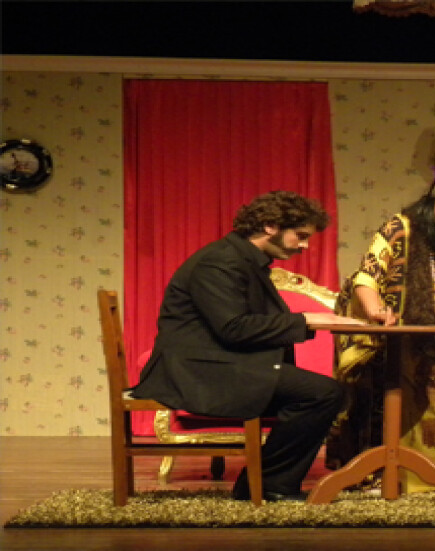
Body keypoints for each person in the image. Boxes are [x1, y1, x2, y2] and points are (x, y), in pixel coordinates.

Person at [131, 190, 363, 502]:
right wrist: (308, 320)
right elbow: (233, 328)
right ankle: (269, 485)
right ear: (270, 226)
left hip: (223, 363)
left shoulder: (242, 260)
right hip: (200, 372)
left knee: (324, 392)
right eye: (301, 236)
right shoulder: (219, 262)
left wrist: (315, 321)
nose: (305, 246)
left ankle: (265, 483)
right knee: (322, 394)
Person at [330, 166, 435, 493]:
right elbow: (367, 277)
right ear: (433, 202)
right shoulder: (402, 227)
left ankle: (432, 478)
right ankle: (376, 474)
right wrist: (376, 311)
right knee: (378, 398)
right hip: (385, 331)